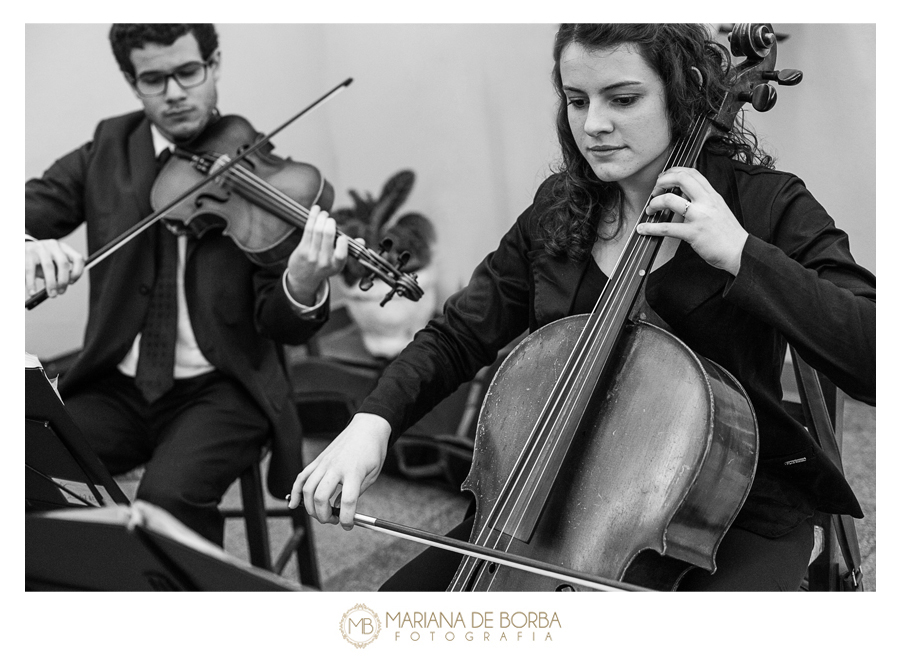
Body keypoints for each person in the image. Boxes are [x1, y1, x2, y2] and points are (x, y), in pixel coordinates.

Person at [290, 23, 875, 591]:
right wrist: (373, 423)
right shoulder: (561, 209)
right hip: (551, 500)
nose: (593, 125)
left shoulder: (763, 203)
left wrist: (745, 254)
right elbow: (458, 335)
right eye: (576, 100)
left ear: (683, 89)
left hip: (734, 505)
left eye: (623, 98)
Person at [25, 24, 348, 546]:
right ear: (133, 83)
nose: (174, 93)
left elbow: (280, 323)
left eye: (187, 72)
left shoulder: (262, 173)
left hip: (224, 386)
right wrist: (24, 243)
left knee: (166, 504)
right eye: (154, 79)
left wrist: (303, 284)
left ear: (214, 64)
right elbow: (24, 208)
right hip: (116, 385)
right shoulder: (107, 149)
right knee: (22, 460)